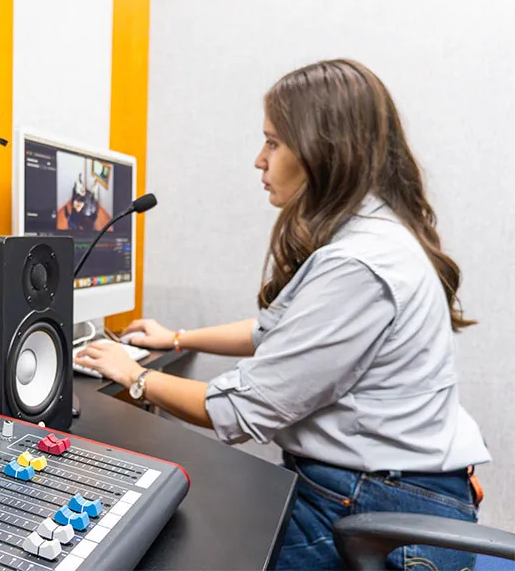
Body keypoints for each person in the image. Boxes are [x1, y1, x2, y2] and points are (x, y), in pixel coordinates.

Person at [75, 59, 491, 571]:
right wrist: (178, 337)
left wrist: (134, 375)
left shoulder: (358, 264)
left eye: (273, 142)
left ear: (322, 151)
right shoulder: (370, 237)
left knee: (165, 546)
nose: (259, 159)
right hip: (384, 488)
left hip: (376, 510)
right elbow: (271, 332)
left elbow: (239, 411)